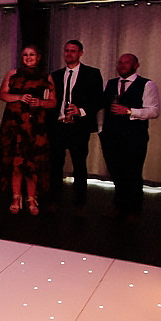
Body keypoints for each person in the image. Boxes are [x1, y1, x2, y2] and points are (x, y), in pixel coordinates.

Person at [99, 54, 160, 221]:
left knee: (132, 173)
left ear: (136, 65)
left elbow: (154, 111)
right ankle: (118, 206)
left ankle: (133, 210)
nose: (122, 65)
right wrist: (101, 131)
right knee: (116, 173)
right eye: (120, 62)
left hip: (134, 137)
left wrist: (129, 111)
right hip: (111, 136)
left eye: (127, 62)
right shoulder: (110, 84)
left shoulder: (147, 85)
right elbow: (102, 107)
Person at [0, 45, 56, 215]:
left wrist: (40, 103)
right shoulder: (12, 74)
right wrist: (20, 97)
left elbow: (53, 102)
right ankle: (16, 196)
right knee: (16, 161)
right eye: (25, 55)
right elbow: (2, 95)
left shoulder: (47, 77)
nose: (28, 57)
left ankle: (31, 197)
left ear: (38, 57)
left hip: (36, 125)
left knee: (33, 163)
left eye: (32, 55)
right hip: (14, 124)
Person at [48, 40, 104, 208]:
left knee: (79, 165)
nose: (69, 54)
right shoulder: (55, 75)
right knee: (55, 164)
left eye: (73, 51)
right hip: (58, 126)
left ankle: (80, 203)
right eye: (66, 51)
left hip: (79, 127)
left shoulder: (92, 73)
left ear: (80, 53)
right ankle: (54, 199)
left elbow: (99, 100)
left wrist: (81, 110)